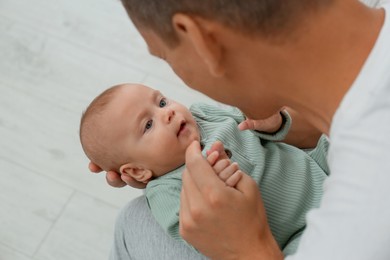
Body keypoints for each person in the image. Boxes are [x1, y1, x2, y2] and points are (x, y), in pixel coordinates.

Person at [89, 0, 390, 259]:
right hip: (307, 175)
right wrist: (162, 167)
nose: (167, 113)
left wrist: (246, 249)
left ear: (201, 40)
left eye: (165, 56)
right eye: (149, 124)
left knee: (135, 222)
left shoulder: (360, 231)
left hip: (290, 227)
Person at [81, 83, 329, 257]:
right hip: (299, 233)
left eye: (161, 101)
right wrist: (219, 193)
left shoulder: (203, 115)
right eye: (148, 125)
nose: (167, 113)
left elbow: (253, 121)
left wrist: (273, 121)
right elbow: (201, 239)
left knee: (331, 145)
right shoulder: (166, 192)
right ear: (137, 171)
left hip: (321, 169)